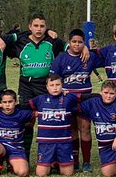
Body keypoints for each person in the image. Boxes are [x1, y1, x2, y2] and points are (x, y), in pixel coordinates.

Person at [4, 13, 69, 157]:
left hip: (45, 86)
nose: (39, 29)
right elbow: (5, 39)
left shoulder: (52, 41)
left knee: (48, 119)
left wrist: (84, 49)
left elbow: (71, 48)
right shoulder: (21, 41)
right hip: (26, 85)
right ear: (30, 27)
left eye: (42, 26)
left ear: (46, 27)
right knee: (27, 120)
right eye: (36, 26)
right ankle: (24, 155)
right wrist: (21, 33)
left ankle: (51, 156)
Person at [50, 27, 103, 171]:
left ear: (84, 43)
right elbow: (52, 79)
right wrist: (60, 90)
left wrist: (89, 50)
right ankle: (75, 160)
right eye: (74, 42)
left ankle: (86, 162)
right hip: (67, 100)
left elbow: (106, 57)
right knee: (72, 129)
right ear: (69, 42)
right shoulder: (61, 58)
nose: (77, 44)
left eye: (80, 42)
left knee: (85, 128)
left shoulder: (89, 57)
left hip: (85, 100)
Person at [78, 81, 116, 177]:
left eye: (112, 93)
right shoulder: (93, 102)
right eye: (106, 93)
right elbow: (74, 103)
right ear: (101, 92)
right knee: (107, 173)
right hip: (105, 146)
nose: (108, 96)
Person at [30, 73, 79, 177]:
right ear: (47, 87)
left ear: (62, 86)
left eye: (58, 85)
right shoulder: (40, 99)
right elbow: (24, 106)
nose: (55, 88)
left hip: (64, 141)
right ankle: (52, 161)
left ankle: (57, 162)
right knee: (41, 174)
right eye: (51, 85)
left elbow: (85, 98)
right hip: (46, 142)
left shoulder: (68, 98)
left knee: (68, 173)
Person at [0, 88, 33, 177]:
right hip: (0, 146)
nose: (7, 105)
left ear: (16, 102)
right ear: (0, 103)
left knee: (23, 173)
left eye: (10, 102)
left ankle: (10, 163)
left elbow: (38, 113)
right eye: (4, 102)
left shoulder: (21, 113)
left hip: (16, 149)